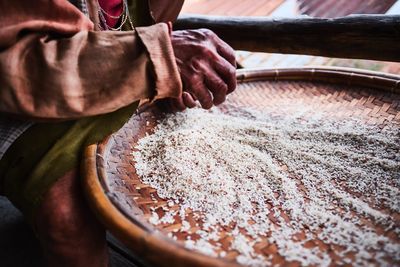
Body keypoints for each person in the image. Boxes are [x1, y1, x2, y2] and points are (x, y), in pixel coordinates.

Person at [0, 0, 236, 266]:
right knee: (68, 220)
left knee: (194, 159)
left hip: (119, 67)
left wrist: (168, 74)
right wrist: (156, 58)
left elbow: (151, 21)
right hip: (32, 100)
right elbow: (17, 74)